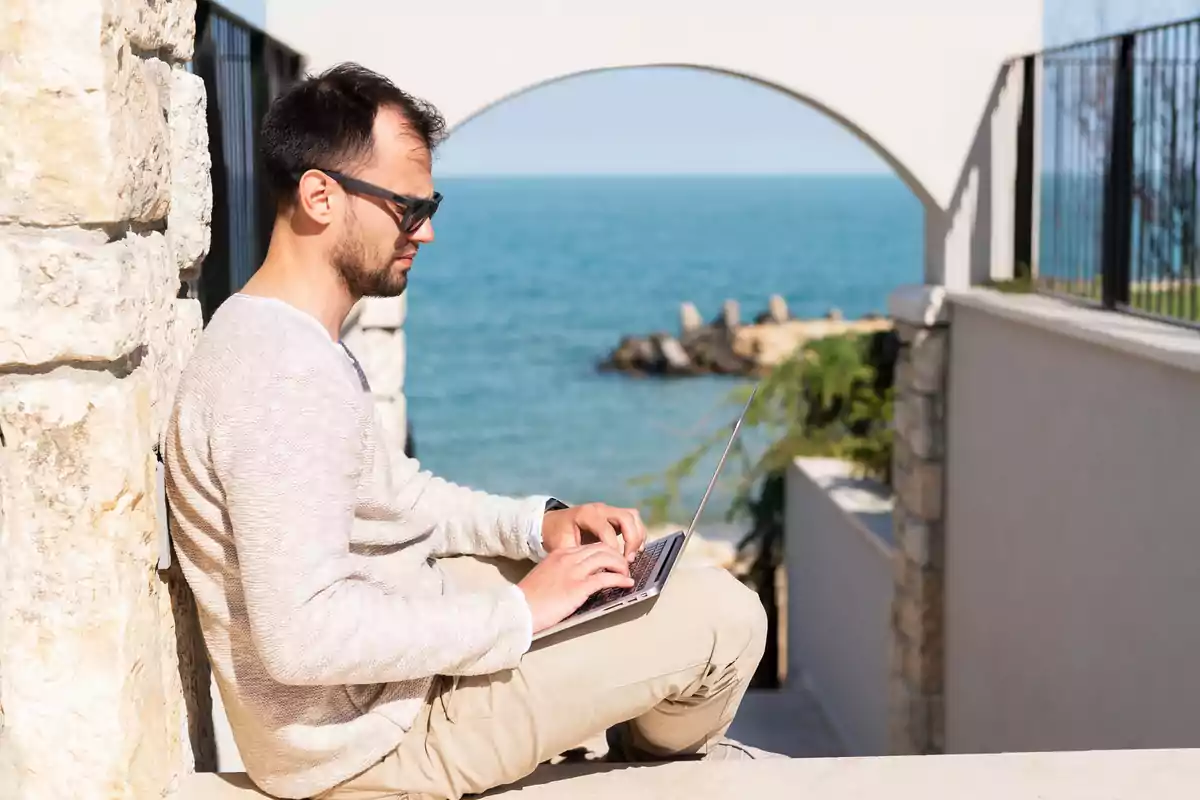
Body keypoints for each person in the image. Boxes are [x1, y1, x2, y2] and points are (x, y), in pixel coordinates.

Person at [163, 62, 774, 800]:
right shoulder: (280, 378)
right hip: (375, 746)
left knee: (637, 579)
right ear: (319, 195)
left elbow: (399, 498)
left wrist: (541, 526)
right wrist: (519, 613)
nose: (428, 230)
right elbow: (302, 634)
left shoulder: (285, 338)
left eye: (430, 203)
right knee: (725, 617)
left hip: (388, 688)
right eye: (405, 206)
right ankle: (652, 753)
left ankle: (617, 695)